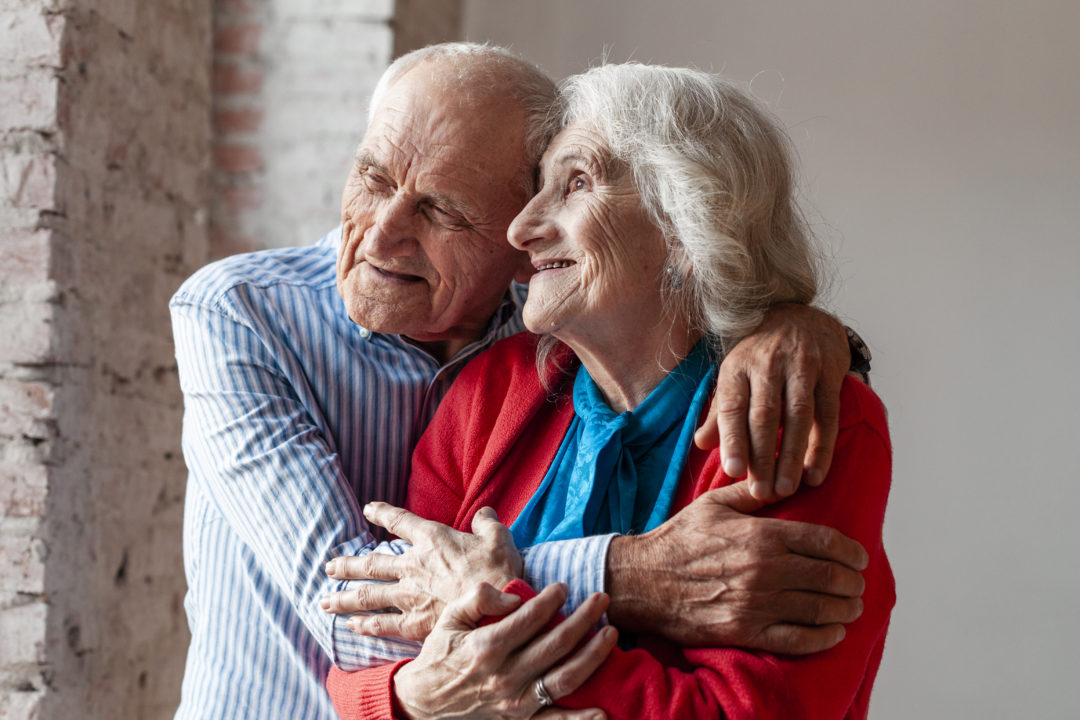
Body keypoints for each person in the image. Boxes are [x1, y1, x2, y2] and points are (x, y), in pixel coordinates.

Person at [171, 43, 867, 719]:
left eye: (442, 210)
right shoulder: (241, 312)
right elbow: (366, 620)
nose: (379, 237)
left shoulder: (545, 340)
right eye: (373, 178)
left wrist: (803, 325)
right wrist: (630, 576)